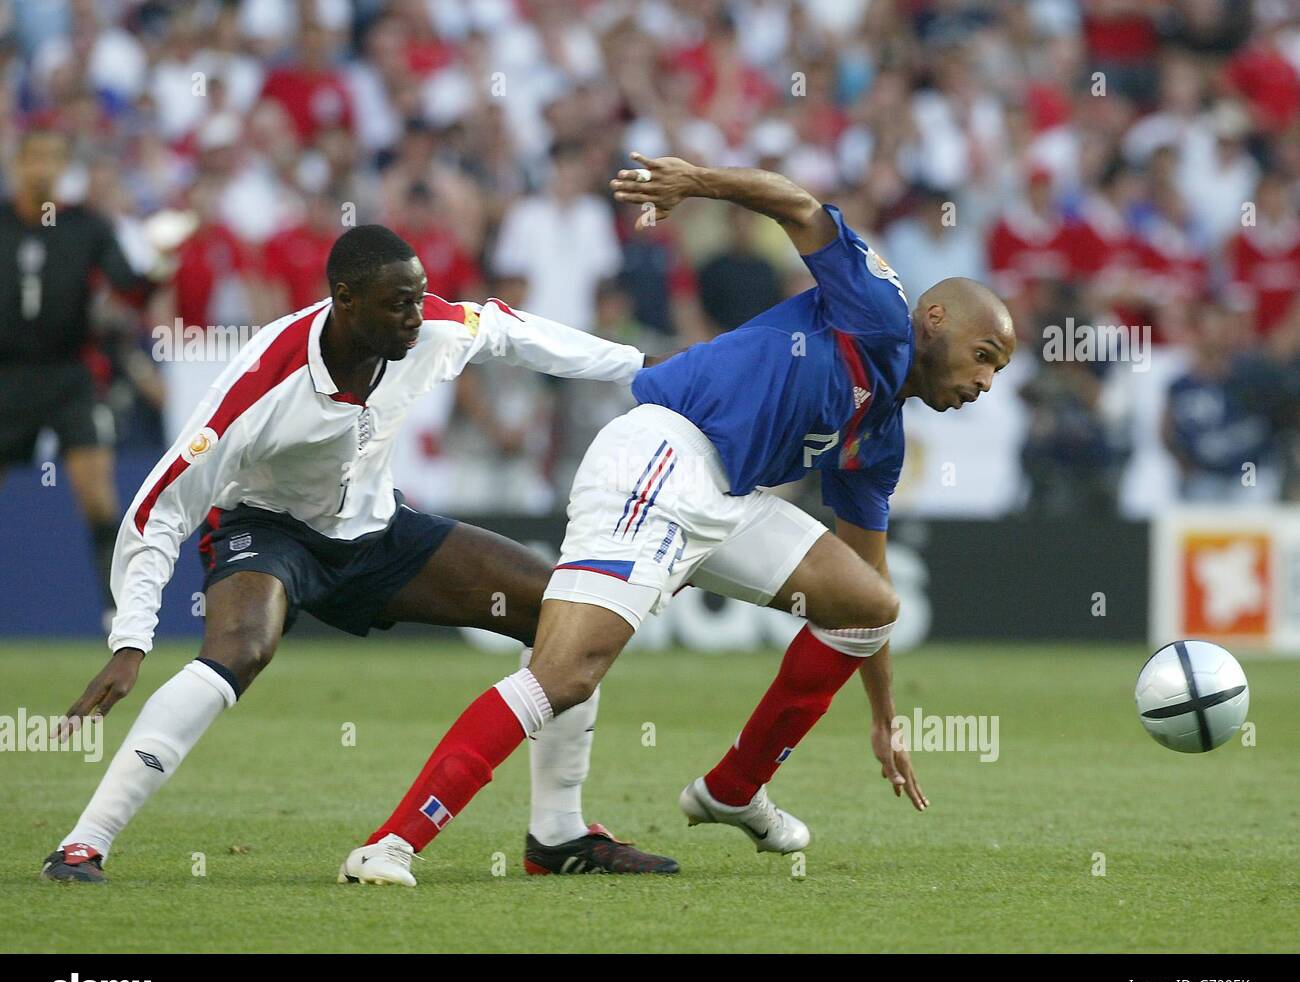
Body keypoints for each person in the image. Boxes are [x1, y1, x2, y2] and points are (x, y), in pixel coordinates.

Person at [342, 156, 1015, 880]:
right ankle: (391, 843)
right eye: (983, 356)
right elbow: (798, 206)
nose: (982, 382)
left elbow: (869, 577)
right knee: (565, 671)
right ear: (936, 319)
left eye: (996, 371)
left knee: (870, 604)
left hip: (727, 499)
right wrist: (696, 181)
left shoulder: (878, 437)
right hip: (663, 458)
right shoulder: (880, 310)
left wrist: (885, 716)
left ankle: (731, 788)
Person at [42, 225, 677, 885]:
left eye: (419, 298)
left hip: (377, 533)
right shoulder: (265, 380)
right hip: (269, 529)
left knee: (562, 612)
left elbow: (511, 331)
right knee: (241, 648)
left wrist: (639, 365)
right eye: (397, 303)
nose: (414, 315)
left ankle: (558, 835)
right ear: (344, 299)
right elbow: (160, 504)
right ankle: (83, 844)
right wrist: (133, 636)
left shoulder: (428, 329)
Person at [0, 129, 156, 627]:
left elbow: (129, 289)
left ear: (65, 168)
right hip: (6, 376)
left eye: (52, 157)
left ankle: (118, 611)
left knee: (96, 494)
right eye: (33, 157)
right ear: (16, 165)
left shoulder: (87, 227)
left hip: (70, 374)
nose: (41, 168)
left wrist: (160, 266)